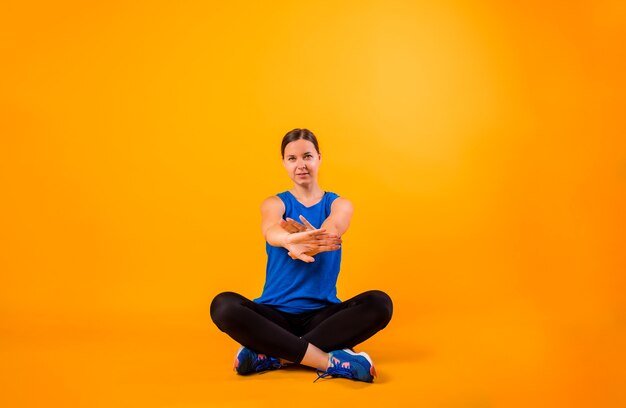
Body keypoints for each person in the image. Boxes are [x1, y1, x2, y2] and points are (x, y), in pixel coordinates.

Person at [210, 128, 393, 383]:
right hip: (273, 316)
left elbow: (334, 227)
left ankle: (272, 354)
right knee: (223, 305)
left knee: (380, 303)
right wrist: (288, 240)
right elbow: (271, 229)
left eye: (307, 156)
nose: (301, 165)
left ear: (319, 157)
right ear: (284, 163)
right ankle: (327, 361)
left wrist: (312, 239)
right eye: (292, 159)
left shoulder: (338, 203)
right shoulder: (275, 203)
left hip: (322, 318)